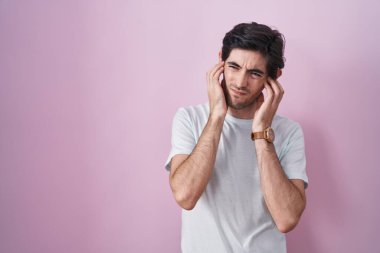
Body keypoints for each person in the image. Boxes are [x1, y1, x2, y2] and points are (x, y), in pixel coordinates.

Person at [165, 22, 308, 253]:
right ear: (220, 60)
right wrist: (217, 116)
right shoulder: (189, 118)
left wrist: (261, 132)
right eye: (233, 66)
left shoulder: (288, 132)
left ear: (274, 78)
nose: (240, 82)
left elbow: (287, 219)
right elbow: (185, 196)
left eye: (255, 73)